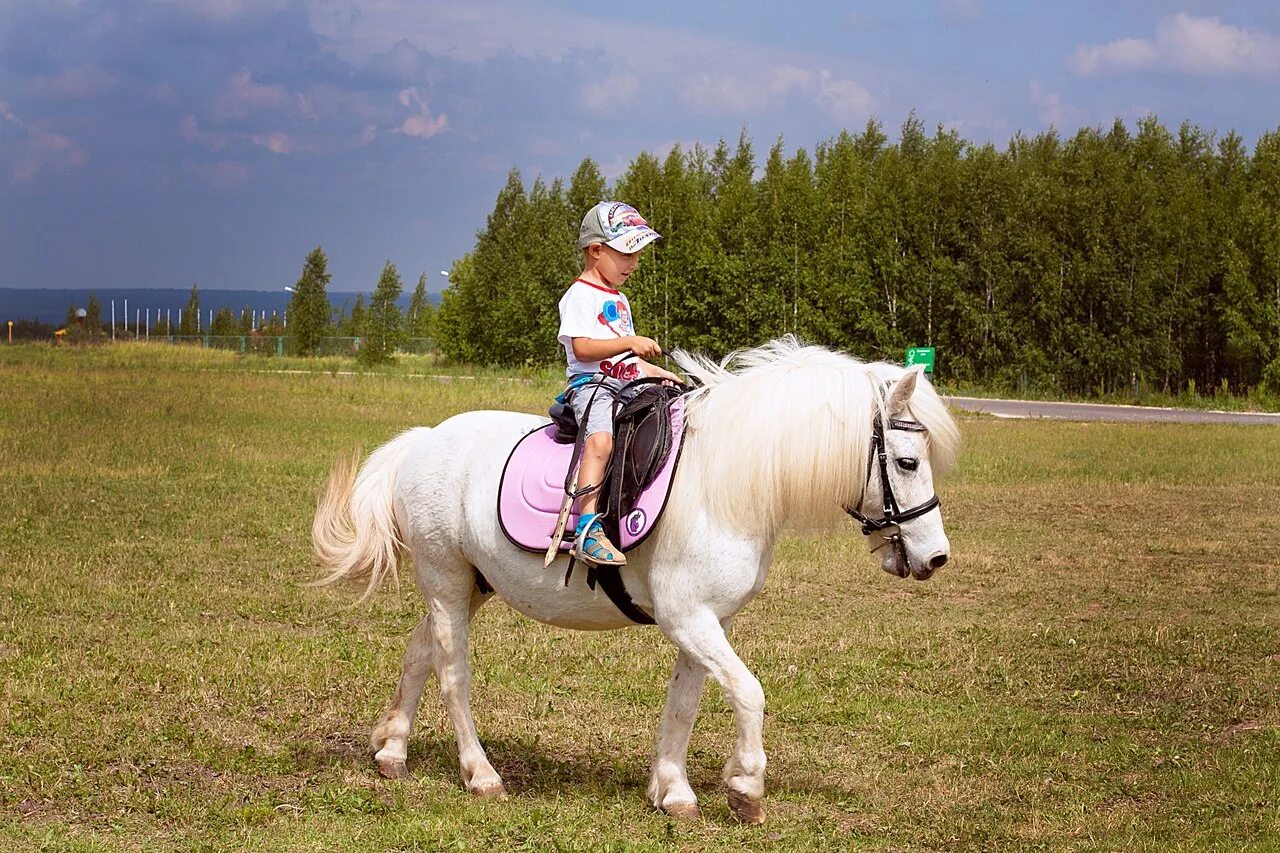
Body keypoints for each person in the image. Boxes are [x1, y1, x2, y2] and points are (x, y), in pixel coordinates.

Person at [557, 201, 682, 567]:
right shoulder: (580, 295)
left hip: (626, 384)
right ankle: (588, 528)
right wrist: (630, 342)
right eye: (627, 253)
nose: (634, 263)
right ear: (596, 250)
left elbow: (624, 359)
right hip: (592, 385)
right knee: (600, 441)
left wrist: (654, 371)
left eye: (637, 254)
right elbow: (583, 347)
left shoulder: (620, 299)